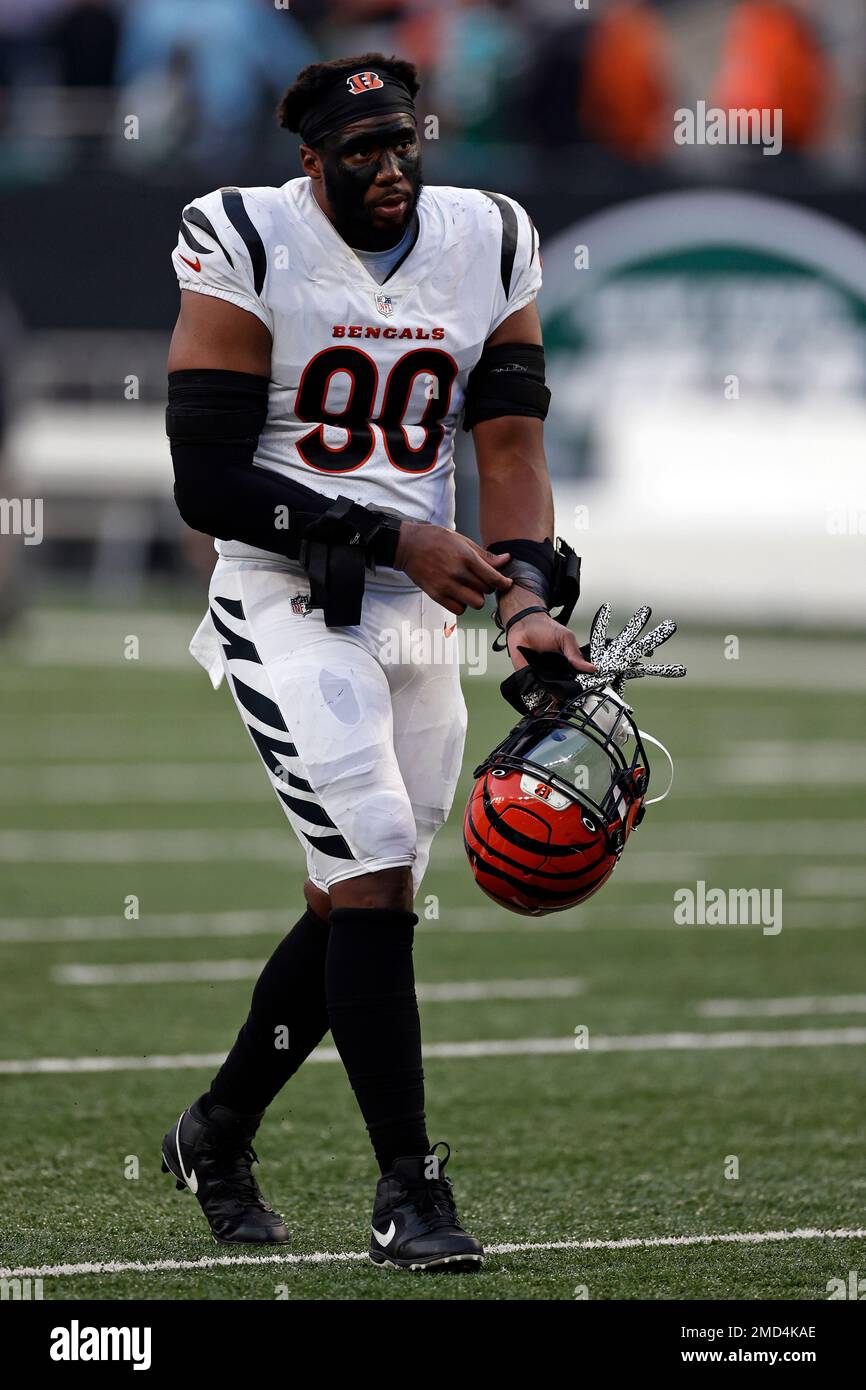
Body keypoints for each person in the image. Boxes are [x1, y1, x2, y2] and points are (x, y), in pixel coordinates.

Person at [162, 51, 594, 1272]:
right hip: (284, 592)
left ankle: (218, 1126)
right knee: (376, 861)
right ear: (310, 164)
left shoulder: (489, 235)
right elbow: (210, 481)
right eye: (361, 153)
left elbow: (507, 446)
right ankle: (409, 1187)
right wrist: (384, 528)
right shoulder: (243, 239)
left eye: (405, 143)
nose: (392, 168)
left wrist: (522, 599)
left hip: (418, 609)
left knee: (360, 896)